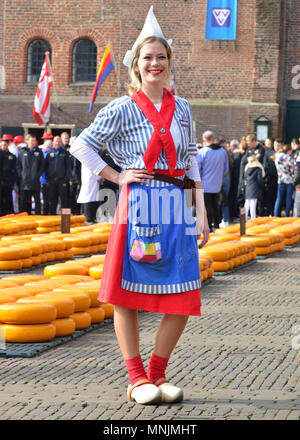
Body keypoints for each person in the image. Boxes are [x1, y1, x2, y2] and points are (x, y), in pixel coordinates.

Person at [70, 6, 209, 406]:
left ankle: (158, 373)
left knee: (182, 294)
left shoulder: (182, 107)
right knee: (127, 292)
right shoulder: (121, 108)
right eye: (147, 58)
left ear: (169, 63)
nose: (155, 64)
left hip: (177, 206)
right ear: (136, 64)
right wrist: (116, 177)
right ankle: (135, 378)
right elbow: (82, 145)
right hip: (141, 206)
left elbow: (193, 158)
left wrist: (200, 211)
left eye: (161, 57)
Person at [196, 130, 229, 231]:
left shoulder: (203, 152)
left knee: (206, 207)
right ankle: (217, 225)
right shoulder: (223, 152)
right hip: (217, 184)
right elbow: (226, 168)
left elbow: (197, 169)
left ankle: (208, 226)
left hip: (205, 184)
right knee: (216, 205)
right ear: (213, 139)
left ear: (204, 140)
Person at [17, 134, 44, 214]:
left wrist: (38, 175)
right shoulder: (22, 151)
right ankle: (24, 215)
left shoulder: (39, 152)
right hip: (24, 181)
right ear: (27, 141)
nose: (33, 142)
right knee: (24, 201)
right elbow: (18, 165)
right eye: (31, 140)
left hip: (35, 181)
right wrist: (21, 175)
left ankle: (38, 216)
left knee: (37, 201)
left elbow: (42, 165)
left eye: (34, 140)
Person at [45, 135, 72, 214]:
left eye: (59, 141)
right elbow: (45, 167)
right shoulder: (49, 153)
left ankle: (66, 219)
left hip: (62, 181)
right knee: (52, 200)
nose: (57, 142)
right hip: (52, 181)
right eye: (56, 141)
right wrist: (48, 179)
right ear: (53, 142)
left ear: (61, 142)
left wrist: (65, 179)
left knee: (64, 201)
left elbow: (68, 167)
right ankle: (53, 218)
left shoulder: (65, 153)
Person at [274, 144, 295, 217]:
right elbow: (292, 170)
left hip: (280, 179)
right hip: (289, 180)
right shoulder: (289, 158)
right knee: (288, 198)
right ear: (288, 151)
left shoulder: (277, 157)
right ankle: (286, 215)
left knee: (279, 198)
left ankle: (276, 215)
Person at [243, 154, 265, 220]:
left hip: (248, 187)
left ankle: (244, 217)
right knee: (253, 203)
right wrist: (262, 186)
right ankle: (253, 218)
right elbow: (259, 179)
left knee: (247, 203)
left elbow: (245, 178)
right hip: (255, 187)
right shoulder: (258, 169)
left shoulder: (247, 168)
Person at [0, 137, 17, 215]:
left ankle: (10, 213)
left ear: (8, 145)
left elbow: (15, 169)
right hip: (1, 181)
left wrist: (13, 181)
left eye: (5, 145)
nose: (3, 146)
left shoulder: (12, 156)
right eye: (2, 145)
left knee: (8, 198)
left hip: (8, 182)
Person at [263, 138, 278, 216]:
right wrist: (265, 177)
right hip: (271, 177)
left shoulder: (281, 152)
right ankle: (269, 211)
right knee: (270, 196)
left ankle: (275, 212)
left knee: (277, 196)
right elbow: (265, 165)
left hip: (279, 178)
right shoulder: (269, 153)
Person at [69, 136, 82, 215]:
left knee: (78, 195)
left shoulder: (79, 153)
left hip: (78, 178)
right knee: (71, 196)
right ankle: (72, 211)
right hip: (71, 178)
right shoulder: (68, 153)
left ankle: (77, 212)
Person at [40, 138, 53, 215]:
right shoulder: (42, 153)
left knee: (52, 199)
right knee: (45, 199)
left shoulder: (53, 153)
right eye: (47, 146)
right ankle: (45, 214)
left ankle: (51, 213)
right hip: (44, 180)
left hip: (52, 180)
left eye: (50, 146)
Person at [293, 148, 300, 217]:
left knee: (297, 204)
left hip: (299, 186)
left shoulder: (298, 163)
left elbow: (297, 175)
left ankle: (295, 218)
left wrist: (293, 183)